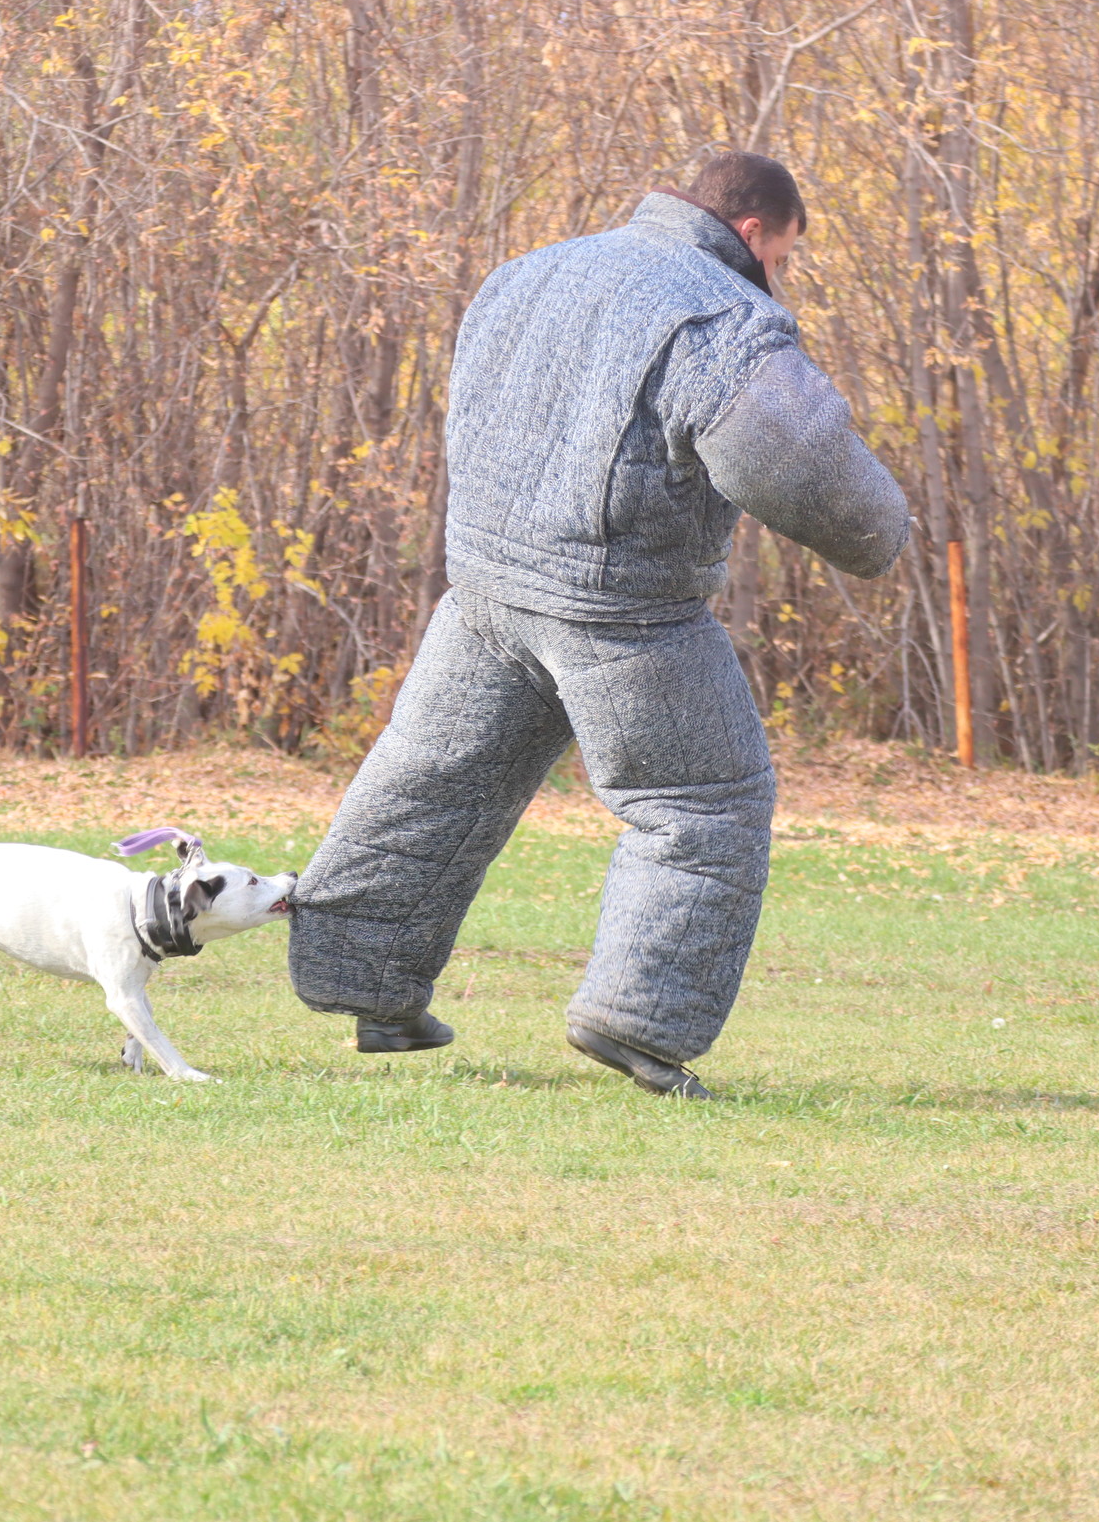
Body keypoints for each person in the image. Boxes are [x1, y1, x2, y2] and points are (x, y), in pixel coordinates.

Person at [287, 152, 908, 1098]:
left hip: (488, 590)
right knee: (702, 800)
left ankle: (365, 986)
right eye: (783, 253)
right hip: (625, 610)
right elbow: (790, 455)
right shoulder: (719, 315)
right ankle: (639, 1023)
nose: (781, 273)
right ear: (753, 234)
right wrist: (883, 530)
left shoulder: (527, 272)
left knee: (432, 780)